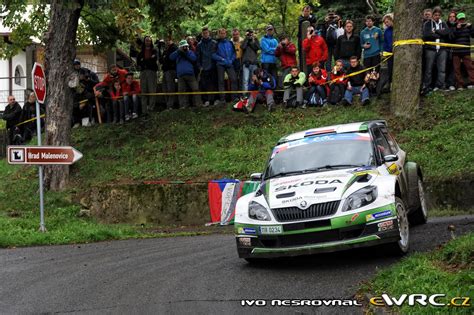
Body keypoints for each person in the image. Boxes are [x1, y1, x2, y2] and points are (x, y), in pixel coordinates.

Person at [422, 6, 450, 92]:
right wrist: (440, 33)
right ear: (432, 15)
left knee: (442, 69)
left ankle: (440, 86)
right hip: (430, 49)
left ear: (440, 15)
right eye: (435, 15)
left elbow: (447, 33)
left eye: (438, 15)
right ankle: (427, 86)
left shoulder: (444, 23)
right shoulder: (427, 24)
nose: (437, 16)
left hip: (442, 50)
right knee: (428, 69)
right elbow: (426, 35)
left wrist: (436, 31)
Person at [170, 39, 202, 108]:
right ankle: (183, 105)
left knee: (195, 89)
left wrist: (186, 52)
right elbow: (171, 57)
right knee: (181, 91)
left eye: (185, 46)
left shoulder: (189, 52)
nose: (184, 47)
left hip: (190, 74)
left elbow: (194, 59)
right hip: (180, 75)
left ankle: (198, 104)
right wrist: (179, 51)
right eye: (183, 46)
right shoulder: (177, 53)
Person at [212, 28, 239, 104]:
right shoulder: (216, 43)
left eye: (224, 33)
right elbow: (213, 55)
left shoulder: (230, 42)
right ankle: (222, 99)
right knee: (221, 81)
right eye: (221, 33)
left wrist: (231, 60)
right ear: (219, 34)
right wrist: (221, 59)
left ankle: (234, 98)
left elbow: (234, 53)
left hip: (229, 63)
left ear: (226, 34)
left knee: (234, 79)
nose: (223, 34)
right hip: (220, 64)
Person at [452, 12, 474, 90]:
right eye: (460, 19)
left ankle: (472, 83)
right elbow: (452, 37)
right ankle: (459, 85)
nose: (462, 21)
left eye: (463, 19)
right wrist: (457, 29)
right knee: (456, 68)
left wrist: (471, 27)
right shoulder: (454, 27)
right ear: (457, 20)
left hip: (466, 51)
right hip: (456, 51)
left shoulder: (468, 27)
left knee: (470, 67)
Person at [196, 26, 218, 106]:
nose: (205, 34)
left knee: (214, 83)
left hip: (213, 66)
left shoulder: (214, 43)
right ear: (202, 34)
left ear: (209, 33)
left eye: (206, 33)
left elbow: (217, 54)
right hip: (204, 68)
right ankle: (206, 100)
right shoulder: (199, 45)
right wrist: (199, 66)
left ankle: (215, 99)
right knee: (204, 85)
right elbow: (198, 57)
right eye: (204, 33)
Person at [137, 36, 158, 114]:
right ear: (144, 42)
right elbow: (139, 62)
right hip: (143, 72)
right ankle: (144, 110)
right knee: (144, 91)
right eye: (146, 40)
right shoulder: (140, 52)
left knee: (152, 90)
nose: (148, 42)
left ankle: (151, 108)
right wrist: (148, 60)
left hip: (152, 71)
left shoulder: (154, 50)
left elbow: (154, 60)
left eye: (149, 41)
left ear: (151, 42)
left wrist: (145, 61)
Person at [160, 37, 178, 110]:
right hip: (165, 70)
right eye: (166, 40)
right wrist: (164, 58)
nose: (167, 42)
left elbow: (170, 58)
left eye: (168, 40)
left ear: (172, 40)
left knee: (170, 88)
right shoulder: (166, 49)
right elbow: (161, 60)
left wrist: (165, 58)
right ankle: (167, 103)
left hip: (171, 70)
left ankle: (170, 105)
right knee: (164, 88)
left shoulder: (174, 48)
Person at [382, 14, 394, 84]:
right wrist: (385, 51)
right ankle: (390, 83)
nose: (386, 24)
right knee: (390, 69)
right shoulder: (386, 31)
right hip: (389, 54)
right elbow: (385, 42)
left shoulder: (397, 30)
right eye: (385, 22)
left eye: (387, 22)